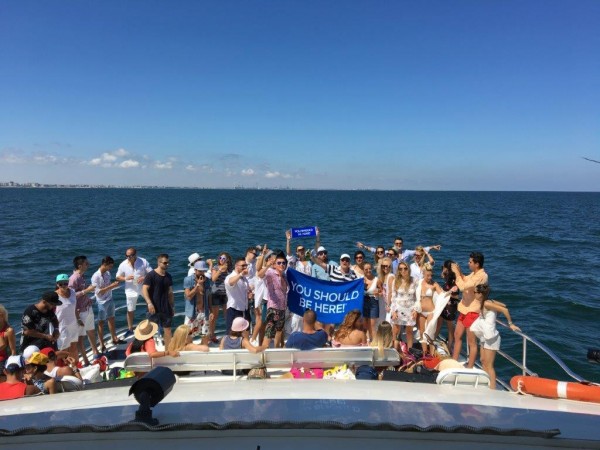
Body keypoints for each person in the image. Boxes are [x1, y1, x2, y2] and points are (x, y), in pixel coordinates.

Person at [470, 283, 520, 389]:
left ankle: (492, 388)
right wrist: (494, 313)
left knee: (489, 365)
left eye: (475, 292)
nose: (474, 294)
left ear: (480, 294)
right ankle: (486, 382)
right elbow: (503, 305)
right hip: (484, 336)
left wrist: (511, 324)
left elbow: (505, 309)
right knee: (483, 360)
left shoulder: (487, 303)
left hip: (491, 338)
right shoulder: (489, 301)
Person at [451, 251, 488, 367]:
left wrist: (456, 273)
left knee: (471, 341)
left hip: (472, 311)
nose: (468, 263)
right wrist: (459, 271)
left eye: (470, 262)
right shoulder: (474, 274)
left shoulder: (481, 276)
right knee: (457, 335)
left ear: (477, 264)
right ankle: (454, 361)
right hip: (464, 309)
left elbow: (463, 287)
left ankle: (470, 367)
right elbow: (465, 279)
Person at [68, 256, 100, 365]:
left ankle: (95, 352)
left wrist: (88, 290)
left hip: (87, 307)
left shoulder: (82, 276)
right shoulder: (73, 279)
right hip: (80, 311)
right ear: (80, 266)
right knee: (80, 337)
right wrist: (87, 290)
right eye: (86, 263)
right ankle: (86, 360)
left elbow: (82, 291)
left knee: (91, 330)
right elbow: (71, 296)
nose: (88, 265)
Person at [116, 248, 152, 338]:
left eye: (131, 256)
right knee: (130, 310)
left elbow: (151, 273)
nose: (128, 258)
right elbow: (117, 277)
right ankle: (130, 329)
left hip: (143, 288)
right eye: (127, 256)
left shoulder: (143, 261)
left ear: (135, 254)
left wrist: (144, 277)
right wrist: (125, 278)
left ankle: (151, 325)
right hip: (130, 290)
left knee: (150, 305)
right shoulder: (123, 264)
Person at [91, 256, 123, 352]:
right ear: (104, 264)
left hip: (110, 299)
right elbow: (98, 292)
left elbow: (107, 286)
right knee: (101, 322)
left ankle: (114, 338)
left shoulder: (107, 273)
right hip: (101, 302)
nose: (111, 268)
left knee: (112, 319)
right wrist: (111, 286)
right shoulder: (95, 276)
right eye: (110, 266)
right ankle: (102, 344)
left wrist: (112, 285)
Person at [142, 254, 175, 348]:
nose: (167, 264)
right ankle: (150, 350)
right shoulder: (151, 275)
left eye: (168, 262)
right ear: (159, 262)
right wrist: (149, 303)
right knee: (150, 331)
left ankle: (168, 350)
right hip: (153, 308)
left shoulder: (168, 276)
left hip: (166, 308)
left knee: (168, 331)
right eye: (165, 263)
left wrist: (172, 306)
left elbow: (170, 293)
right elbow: (144, 289)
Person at [260, 252, 289, 348]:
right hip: (273, 307)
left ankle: (276, 350)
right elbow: (260, 275)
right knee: (269, 331)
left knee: (279, 330)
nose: (282, 265)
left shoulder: (284, 276)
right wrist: (267, 266)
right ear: (275, 265)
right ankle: (264, 351)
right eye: (279, 263)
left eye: (283, 263)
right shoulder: (271, 273)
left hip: (282, 307)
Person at [414, 264, 444, 355]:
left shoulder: (434, 284)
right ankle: (424, 353)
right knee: (422, 332)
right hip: (421, 311)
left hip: (431, 311)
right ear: (423, 273)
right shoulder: (419, 282)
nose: (430, 277)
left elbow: (442, 295)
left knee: (430, 333)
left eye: (431, 275)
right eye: (428, 275)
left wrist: (450, 291)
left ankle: (431, 353)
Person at [388, 261, 418, 350]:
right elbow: (393, 297)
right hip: (398, 309)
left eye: (405, 268)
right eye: (400, 269)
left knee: (409, 332)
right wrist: (393, 311)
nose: (403, 270)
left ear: (408, 269)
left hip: (410, 309)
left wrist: (415, 310)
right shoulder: (395, 281)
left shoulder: (414, 280)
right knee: (395, 331)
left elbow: (417, 297)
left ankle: (410, 352)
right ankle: (395, 351)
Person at [55, 274, 80, 361]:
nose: (63, 285)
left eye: (65, 283)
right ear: (57, 284)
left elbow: (75, 307)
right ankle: (66, 367)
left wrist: (78, 319)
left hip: (73, 324)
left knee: (74, 348)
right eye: (60, 284)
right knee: (64, 350)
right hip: (62, 326)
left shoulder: (72, 292)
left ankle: (76, 366)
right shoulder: (55, 296)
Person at [209, 252, 233, 343]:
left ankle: (229, 334)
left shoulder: (230, 269)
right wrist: (220, 270)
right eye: (220, 258)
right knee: (214, 316)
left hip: (226, 294)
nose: (221, 260)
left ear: (227, 260)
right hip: (216, 293)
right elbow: (213, 279)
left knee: (227, 315)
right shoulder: (215, 267)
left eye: (224, 258)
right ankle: (211, 335)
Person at [437, 260, 460, 351]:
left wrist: (446, 293)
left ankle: (449, 347)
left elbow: (456, 295)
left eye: (444, 267)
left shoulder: (455, 278)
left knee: (450, 328)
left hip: (450, 306)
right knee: (439, 323)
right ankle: (433, 341)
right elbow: (442, 275)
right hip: (444, 305)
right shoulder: (448, 275)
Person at [225, 257, 251, 333]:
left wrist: (249, 294)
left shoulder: (244, 278)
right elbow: (230, 282)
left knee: (246, 331)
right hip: (234, 309)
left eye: (246, 265)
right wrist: (241, 274)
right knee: (231, 333)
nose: (245, 267)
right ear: (236, 266)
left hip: (244, 308)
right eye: (243, 265)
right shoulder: (230, 277)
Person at [183, 261, 210, 326]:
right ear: (195, 270)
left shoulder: (207, 280)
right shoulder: (188, 280)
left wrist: (211, 311)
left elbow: (208, 296)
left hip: (204, 312)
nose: (202, 273)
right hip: (192, 312)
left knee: (205, 331)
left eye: (203, 271)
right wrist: (198, 285)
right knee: (188, 331)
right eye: (200, 271)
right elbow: (188, 296)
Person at [362, 262, 380, 342]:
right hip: (363, 302)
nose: (368, 270)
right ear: (363, 270)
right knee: (364, 324)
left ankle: (374, 342)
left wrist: (378, 293)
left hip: (373, 303)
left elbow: (382, 291)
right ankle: (365, 341)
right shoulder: (360, 280)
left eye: (370, 269)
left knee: (372, 325)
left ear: (372, 269)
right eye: (366, 269)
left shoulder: (377, 280)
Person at [0, 305, 16, 374]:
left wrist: (12, 365)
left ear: (1, 316)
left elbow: (13, 350)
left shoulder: (9, 331)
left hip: (1, 360)